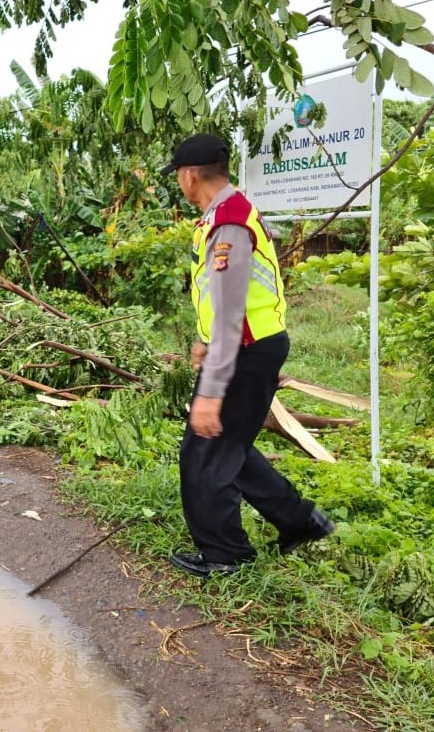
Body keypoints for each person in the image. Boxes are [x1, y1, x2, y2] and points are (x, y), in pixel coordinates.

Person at [164, 133, 334, 577]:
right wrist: (204, 341)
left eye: (178, 177)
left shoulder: (228, 223)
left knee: (205, 452)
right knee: (231, 444)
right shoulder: (223, 216)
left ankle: (226, 556)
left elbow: (232, 312)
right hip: (249, 346)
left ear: (188, 176)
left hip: (245, 350)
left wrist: (210, 393)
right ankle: (301, 521)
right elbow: (223, 300)